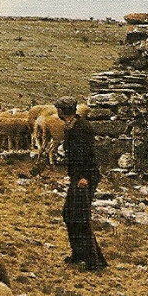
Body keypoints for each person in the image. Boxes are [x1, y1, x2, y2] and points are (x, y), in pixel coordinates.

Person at [55, 96, 107, 270]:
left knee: (81, 217)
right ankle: (78, 254)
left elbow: (88, 154)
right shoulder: (70, 127)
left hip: (85, 178)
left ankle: (95, 261)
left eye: (58, 109)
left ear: (63, 111)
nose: (57, 112)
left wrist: (84, 177)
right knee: (69, 214)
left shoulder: (82, 128)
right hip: (77, 177)